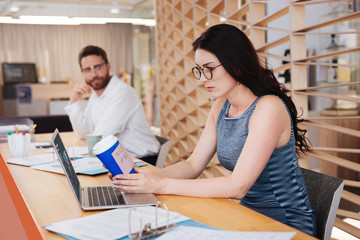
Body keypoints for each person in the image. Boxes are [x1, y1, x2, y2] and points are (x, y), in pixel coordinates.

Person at [109, 24, 316, 236]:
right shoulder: (221, 105)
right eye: (199, 70)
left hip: (286, 223)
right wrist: (142, 179)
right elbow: (192, 165)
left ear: (236, 64)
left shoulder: (268, 108)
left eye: (209, 69)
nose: (202, 79)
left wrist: (160, 184)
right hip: (248, 216)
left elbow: (237, 186)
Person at [65, 45, 160, 160]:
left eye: (98, 67)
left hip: (142, 160)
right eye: (87, 70)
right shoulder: (95, 97)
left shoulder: (122, 92)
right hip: (119, 159)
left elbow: (99, 137)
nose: (94, 74)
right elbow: (83, 133)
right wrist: (74, 99)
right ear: (82, 73)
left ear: (108, 66)